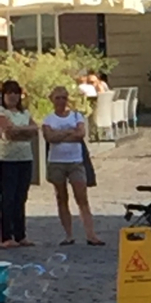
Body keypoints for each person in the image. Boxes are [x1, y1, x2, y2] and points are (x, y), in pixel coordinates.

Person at [42, 85, 104, 246]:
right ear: (52, 100)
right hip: (56, 162)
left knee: (82, 197)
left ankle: (91, 234)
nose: (61, 101)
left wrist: (60, 135)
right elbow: (49, 137)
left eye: (64, 97)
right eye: (58, 98)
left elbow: (80, 134)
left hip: (75, 161)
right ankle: (68, 234)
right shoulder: (48, 119)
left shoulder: (76, 116)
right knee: (61, 197)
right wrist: (68, 133)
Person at [0, 80, 38, 249]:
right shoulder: (1, 112)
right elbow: (9, 132)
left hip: (25, 158)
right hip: (7, 159)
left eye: (16, 93)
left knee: (21, 197)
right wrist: (24, 132)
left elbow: (35, 129)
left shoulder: (25, 112)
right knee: (7, 198)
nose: (13, 96)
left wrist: (21, 131)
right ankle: (6, 235)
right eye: (9, 93)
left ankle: (20, 234)